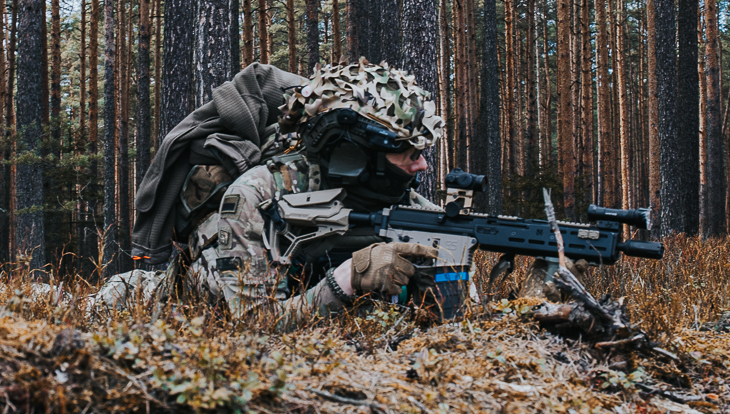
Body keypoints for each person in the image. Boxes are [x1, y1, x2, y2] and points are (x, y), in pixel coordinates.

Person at [91, 60, 457, 326]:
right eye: (407, 153)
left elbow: (456, 326)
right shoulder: (256, 196)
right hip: (157, 302)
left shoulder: (410, 207)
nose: (422, 167)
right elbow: (254, 326)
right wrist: (348, 280)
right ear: (356, 152)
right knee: (81, 306)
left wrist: (443, 287)